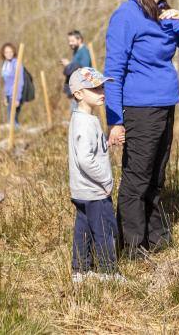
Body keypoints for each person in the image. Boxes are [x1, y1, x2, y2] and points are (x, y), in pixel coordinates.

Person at [105, 0, 179, 259]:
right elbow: (114, 72)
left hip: (165, 104)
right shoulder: (126, 16)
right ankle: (132, 248)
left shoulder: (165, 12)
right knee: (137, 178)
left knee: (157, 176)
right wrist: (116, 119)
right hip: (139, 109)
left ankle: (157, 240)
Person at [67, 67, 124, 283]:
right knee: (104, 230)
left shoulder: (83, 118)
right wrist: (106, 180)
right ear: (79, 93)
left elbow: (89, 149)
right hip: (94, 190)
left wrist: (107, 143)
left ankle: (80, 270)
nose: (101, 92)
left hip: (82, 190)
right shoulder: (85, 122)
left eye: (101, 87)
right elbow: (85, 159)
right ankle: (110, 272)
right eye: (94, 88)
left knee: (83, 229)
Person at [62, 30, 93, 112]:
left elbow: (84, 69)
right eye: (69, 41)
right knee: (75, 113)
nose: (70, 43)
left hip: (81, 89)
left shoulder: (84, 52)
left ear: (79, 40)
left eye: (72, 41)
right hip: (76, 89)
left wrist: (69, 65)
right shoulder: (76, 52)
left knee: (78, 113)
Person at [0, 42, 24, 127]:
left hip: (15, 94)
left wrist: (17, 98)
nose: (8, 54)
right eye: (6, 52)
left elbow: (20, 81)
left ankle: (18, 136)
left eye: (10, 52)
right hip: (8, 95)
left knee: (13, 119)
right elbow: (4, 82)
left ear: (14, 52)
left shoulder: (16, 63)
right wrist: (4, 96)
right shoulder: (4, 64)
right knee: (10, 119)